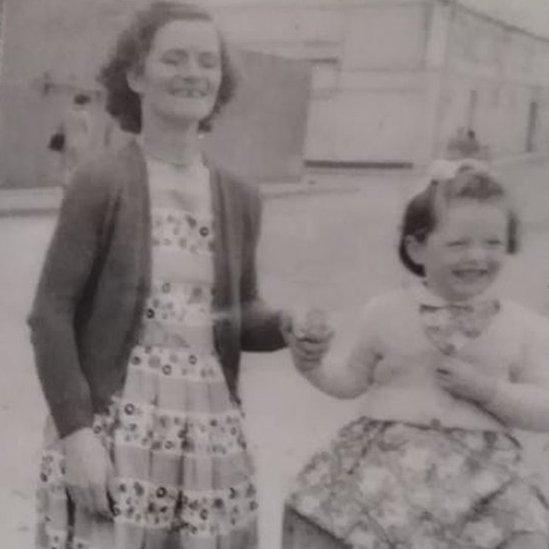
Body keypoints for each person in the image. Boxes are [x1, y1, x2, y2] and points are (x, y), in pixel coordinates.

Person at [28, 3, 330, 548]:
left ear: (221, 79)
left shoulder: (239, 195)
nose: (194, 72)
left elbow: (238, 314)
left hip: (208, 428)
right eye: (174, 58)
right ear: (136, 76)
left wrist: (285, 325)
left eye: (207, 62)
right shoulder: (101, 182)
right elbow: (51, 313)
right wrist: (77, 436)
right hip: (118, 426)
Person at [283, 162, 549, 548]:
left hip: (483, 482)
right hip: (386, 473)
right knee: (324, 516)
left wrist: (491, 392)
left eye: (493, 243)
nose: (477, 256)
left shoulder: (523, 325)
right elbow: (350, 382)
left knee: (526, 533)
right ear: (417, 247)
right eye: (458, 244)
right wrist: (313, 366)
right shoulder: (387, 311)